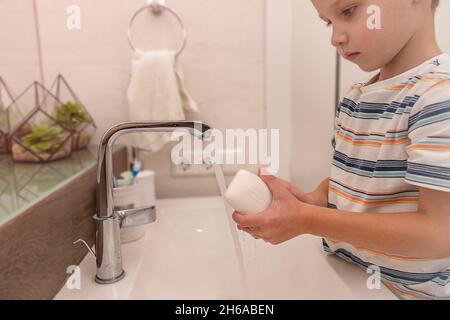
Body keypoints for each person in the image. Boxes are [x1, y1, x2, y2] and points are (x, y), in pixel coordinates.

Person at [232, 0, 450, 300]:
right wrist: (310, 201)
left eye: (348, 11)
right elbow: (348, 184)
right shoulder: (356, 99)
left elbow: (439, 235)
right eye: (327, 22)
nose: (335, 37)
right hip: (351, 276)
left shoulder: (440, 96)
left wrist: (306, 220)